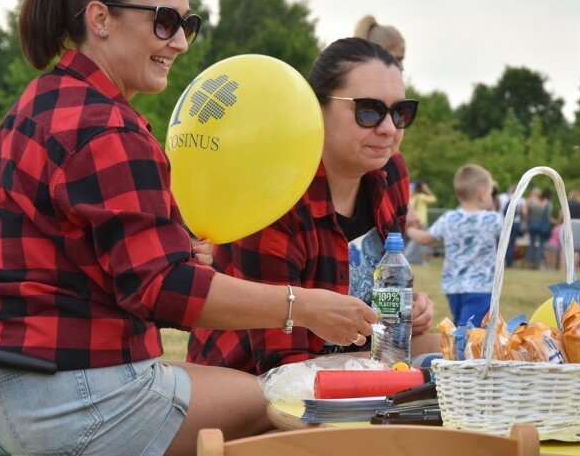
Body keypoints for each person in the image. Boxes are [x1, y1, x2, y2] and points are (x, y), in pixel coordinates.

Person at [0, 0, 376, 456]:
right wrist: (303, 306)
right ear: (101, 18)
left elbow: (68, 260)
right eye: (163, 21)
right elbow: (164, 291)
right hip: (70, 400)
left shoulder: (38, 101)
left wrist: (174, 257)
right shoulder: (109, 126)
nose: (179, 41)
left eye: (187, 23)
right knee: (280, 403)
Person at [187, 37, 436, 375]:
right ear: (316, 108)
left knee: (451, 358)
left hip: (350, 365)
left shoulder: (391, 173)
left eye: (401, 112)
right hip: (249, 384)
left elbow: (376, 286)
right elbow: (281, 367)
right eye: (368, 111)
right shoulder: (277, 194)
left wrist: (405, 306)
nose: (389, 128)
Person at [405, 164, 501, 327]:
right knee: (470, 331)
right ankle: (462, 350)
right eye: (491, 192)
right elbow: (508, 232)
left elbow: (426, 238)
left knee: (462, 324)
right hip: (480, 287)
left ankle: (460, 349)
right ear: (483, 193)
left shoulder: (449, 218)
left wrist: (409, 229)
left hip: (453, 287)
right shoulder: (493, 219)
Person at [404, 180, 437, 264]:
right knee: (421, 241)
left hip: (412, 222)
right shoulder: (421, 196)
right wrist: (427, 189)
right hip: (421, 221)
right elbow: (433, 199)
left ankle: (412, 258)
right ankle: (421, 260)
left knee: (413, 241)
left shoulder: (411, 198)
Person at [523, 187, 553, 270]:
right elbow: (548, 217)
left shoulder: (530, 201)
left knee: (532, 244)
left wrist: (527, 219)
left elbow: (524, 212)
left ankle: (530, 263)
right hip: (543, 226)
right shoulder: (547, 202)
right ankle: (538, 263)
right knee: (541, 245)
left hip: (532, 224)